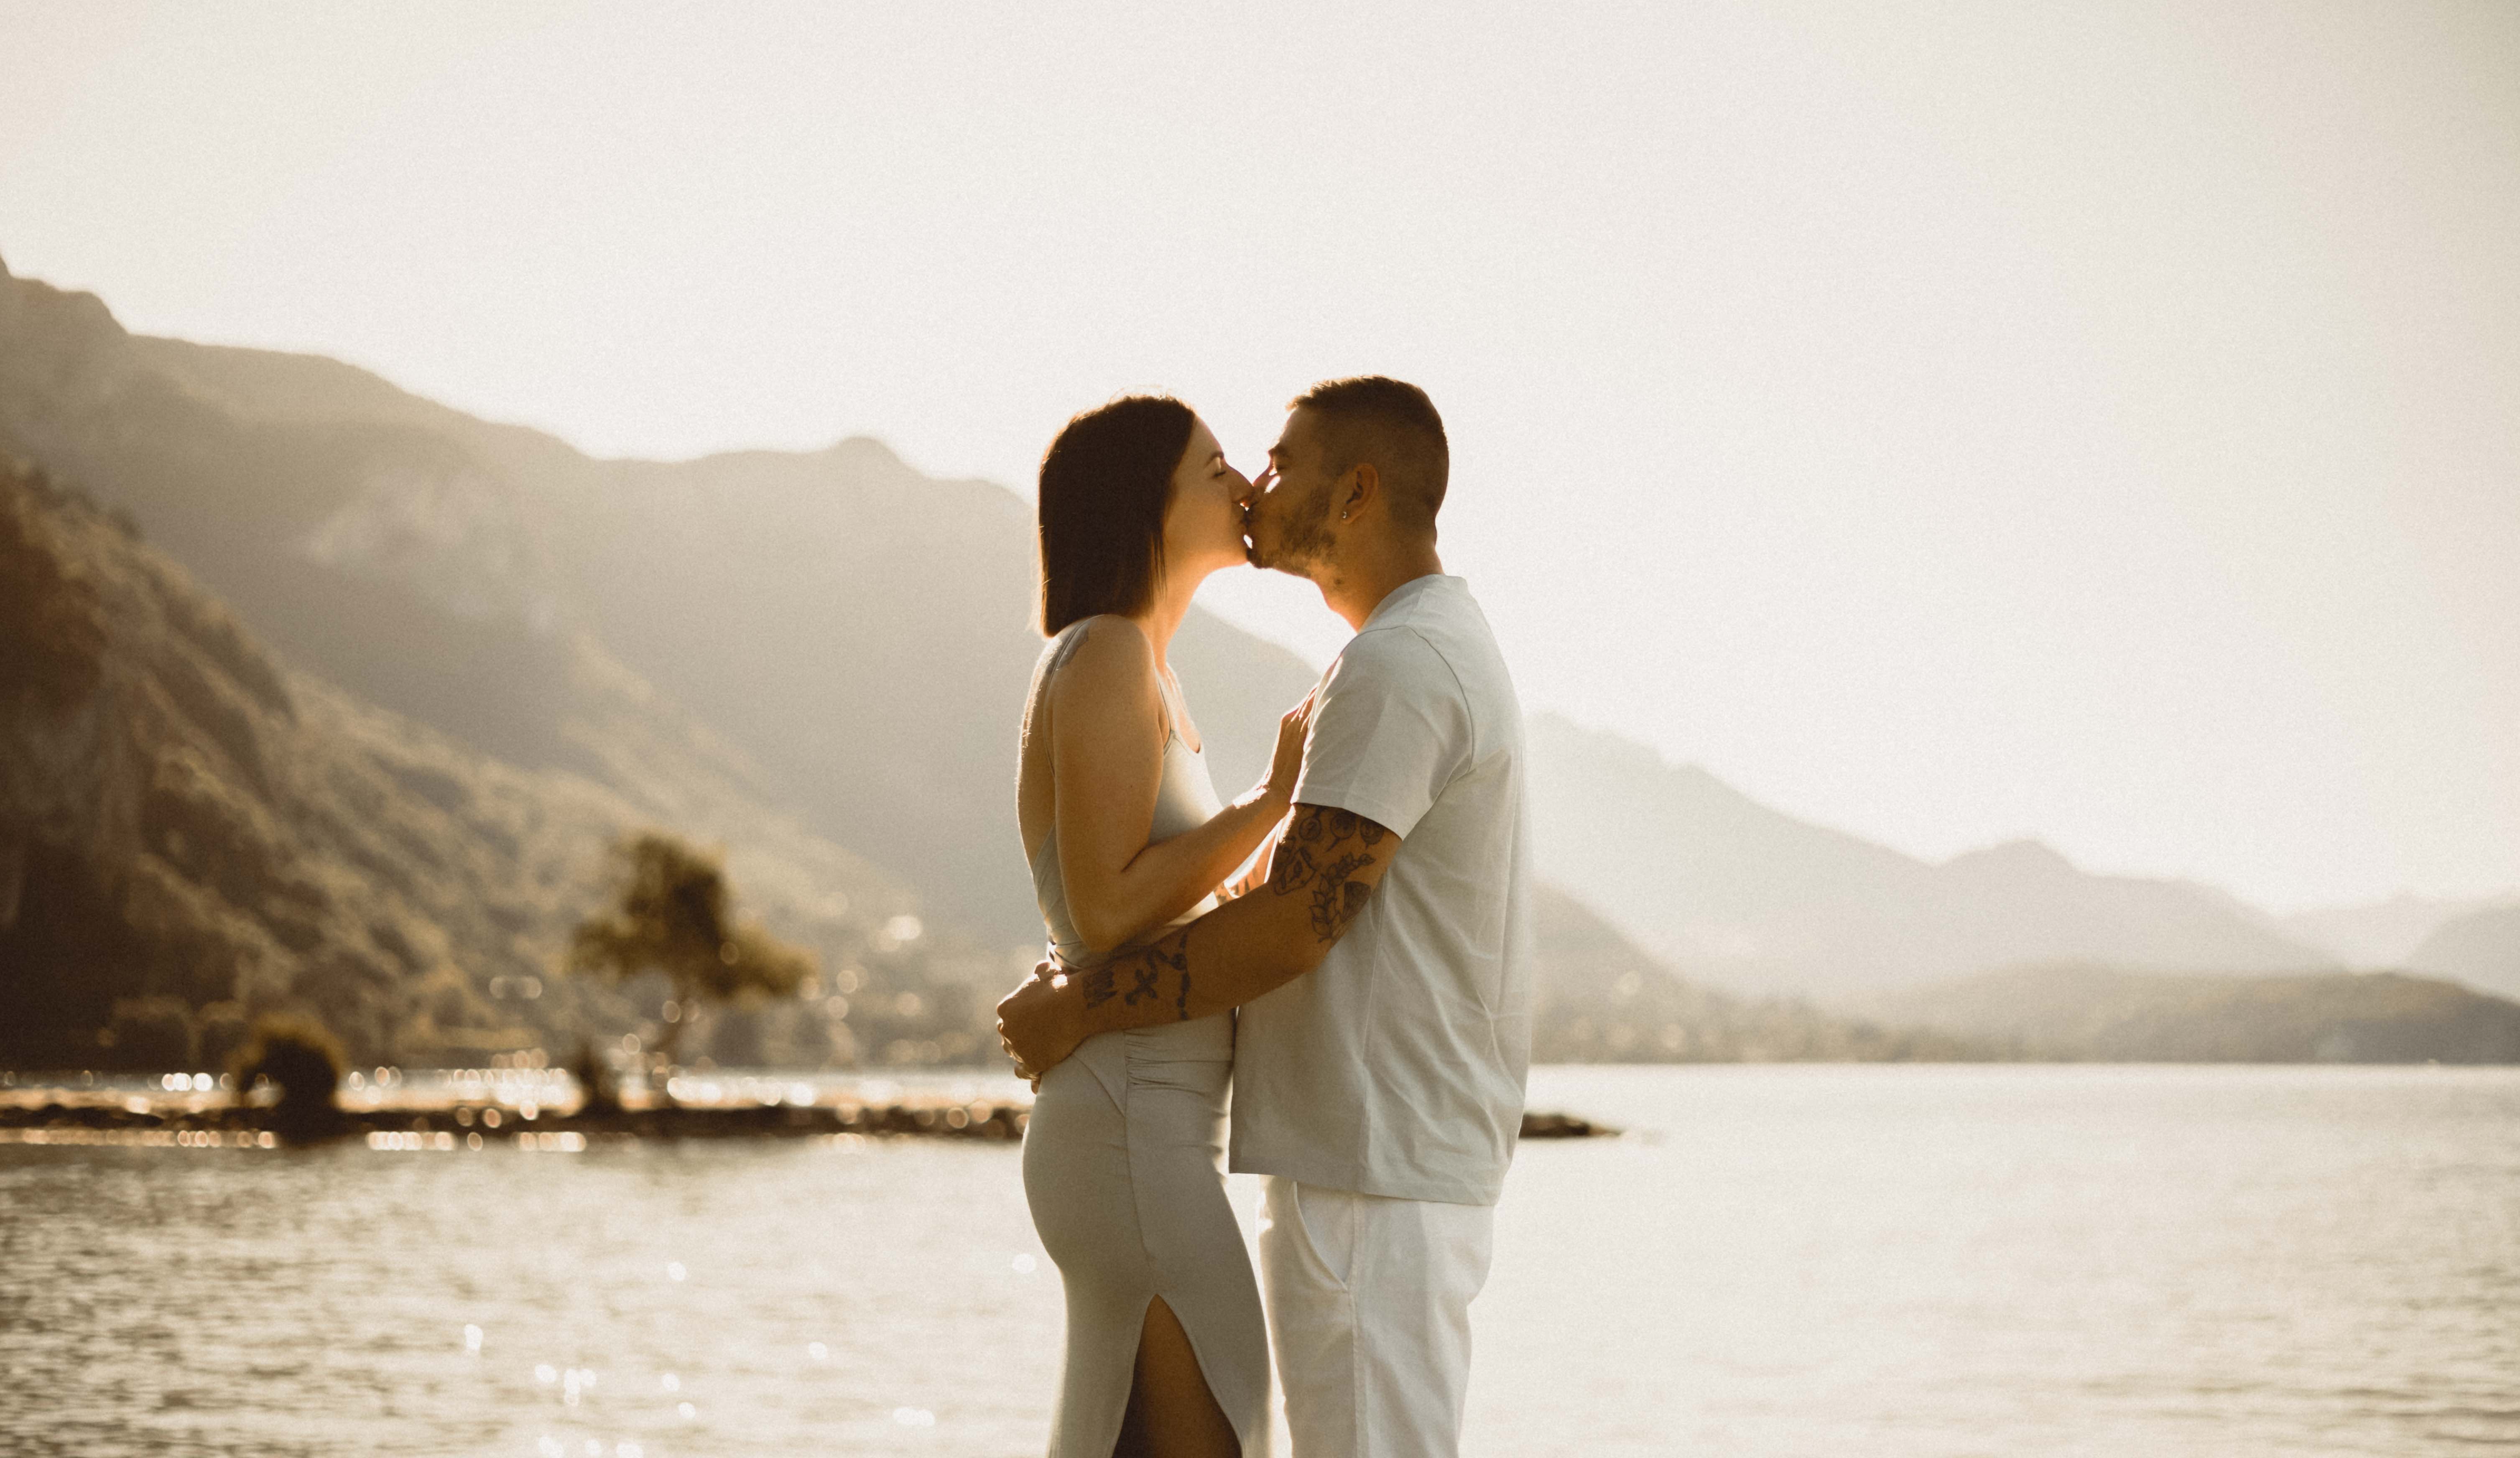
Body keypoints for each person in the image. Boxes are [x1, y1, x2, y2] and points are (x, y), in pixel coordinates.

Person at [1001, 377, 1533, 1458]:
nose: (1254, 482)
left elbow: (1298, 923)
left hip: (1371, 1172)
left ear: (1355, 496)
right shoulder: (1393, 658)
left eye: (1280, 462)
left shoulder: (1400, 664)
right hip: (1347, 1160)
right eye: (1228, 465)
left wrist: (1083, 1007)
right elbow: (1272, 905)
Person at [1016, 394, 1313, 1458]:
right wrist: (1268, 804)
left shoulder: (1143, 667)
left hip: (1148, 1127)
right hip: (1134, 1130)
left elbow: (1123, 908)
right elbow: (1104, 906)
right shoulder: (1105, 655)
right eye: (1215, 468)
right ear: (1147, 501)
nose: (1242, 487)